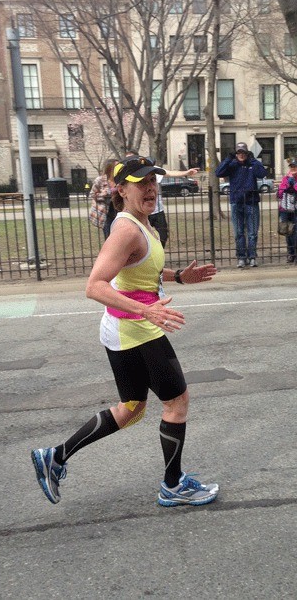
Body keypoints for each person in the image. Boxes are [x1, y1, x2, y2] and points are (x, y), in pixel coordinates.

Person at [31, 155, 219, 508]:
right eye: (140, 183)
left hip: (125, 328)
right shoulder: (127, 229)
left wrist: (177, 276)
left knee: (131, 408)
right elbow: (95, 285)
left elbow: (137, 269)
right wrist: (147, 309)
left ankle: (54, 456)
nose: (150, 188)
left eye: (153, 181)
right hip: (136, 329)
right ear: (121, 190)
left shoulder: (141, 223)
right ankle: (173, 485)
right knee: (176, 403)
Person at [215, 143, 267, 268]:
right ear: (236, 154)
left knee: (252, 232)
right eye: (239, 153)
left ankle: (252, 256)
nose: (241, 155)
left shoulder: (252, 165)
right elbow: (218, 172)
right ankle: (241, 257)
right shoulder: (232, 165)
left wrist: (253, 160)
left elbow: (262, 173)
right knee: (239, 232)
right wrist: (228, 158)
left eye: (243, 152)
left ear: (247, 153)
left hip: (251, 202)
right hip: (236, 202)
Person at [89, 159, 117, 239]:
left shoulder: (120, 180)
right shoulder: (100, 180)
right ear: (110, 168)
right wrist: (104, 194)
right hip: (106, 214)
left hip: (119, 212)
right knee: (109, 237)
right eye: (117, 166)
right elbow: (92, 194)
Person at [277, 158, 297, 263]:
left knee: (296, 231)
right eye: (291, 167)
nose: (293, 168)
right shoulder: (285, 178)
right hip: (285, 208)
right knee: (288, 231)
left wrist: (294, 185)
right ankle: (291, 253)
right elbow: (279, 193)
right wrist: (286, 186)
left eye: (295, 166)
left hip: (295, 209)